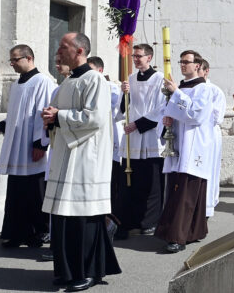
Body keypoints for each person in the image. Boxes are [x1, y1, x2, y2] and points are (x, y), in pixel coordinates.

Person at [41, 32, 121, 291]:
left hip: (86, 159)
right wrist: (49, 118)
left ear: (79, 50)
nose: (59, 50)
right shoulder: (67, 81)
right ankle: (67, 270)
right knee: (65, 218)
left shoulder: (94, 79)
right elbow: (55, 113)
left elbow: (95, 119)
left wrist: (59, 116)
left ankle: (88, 271)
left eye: (64, 46)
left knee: (83, 219)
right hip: (67, 156)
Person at [0, 44, 54, 248]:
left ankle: (41, 231)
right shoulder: (16, 85)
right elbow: (16, 116)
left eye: (15, 60)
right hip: (17, 148)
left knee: (36, 192)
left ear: (29, 58)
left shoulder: (43, 82)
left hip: (33, 147)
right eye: (11, 60)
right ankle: (17, 232)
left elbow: (44, 115)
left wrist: (40, 144)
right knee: (16, 193)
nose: (12, 64)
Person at [155, 50, 214, 254]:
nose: (182, 65)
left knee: (187, 193)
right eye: (180, 61)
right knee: (176, 189)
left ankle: (177, 237)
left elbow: (196, 115)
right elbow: (168, 110)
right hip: (178, 143)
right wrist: (166, 119)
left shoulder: (203, 89)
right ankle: (192, 231)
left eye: (186, 62)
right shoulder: (180, 87)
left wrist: (175, 94)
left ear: (197, 65)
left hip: (194, 145)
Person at [116, 44, 165, 239]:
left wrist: (138, 124)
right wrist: (125, 93)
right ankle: (131, 221)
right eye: (134, 56)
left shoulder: (159, 79)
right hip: (133, 138)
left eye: (139, 56)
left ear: (149, 57)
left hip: (150, 135)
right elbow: (123, 108)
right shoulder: (130, 79)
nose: (136, 59)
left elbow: (161, 108)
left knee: (152, 183)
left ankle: (150, 222)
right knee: (132, 182)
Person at [88, 56, 123, 238]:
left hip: (107, 142)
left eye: (91, 69)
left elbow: (116, 112)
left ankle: (109, 221)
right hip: (91, 144)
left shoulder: (111, 89)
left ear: (100, 70)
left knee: (109, 185)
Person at [200, 59, 226, 217]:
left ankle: (208, 205)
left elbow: (217, 116)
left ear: (206, 71)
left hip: (209, 133)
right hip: (195, 135)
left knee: (209, 169)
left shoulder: (215, 91)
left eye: (199, 70)